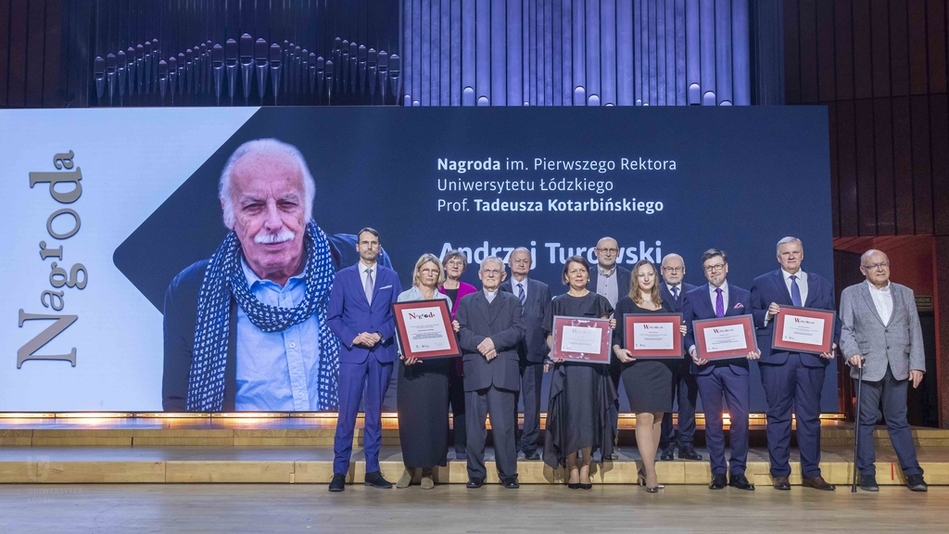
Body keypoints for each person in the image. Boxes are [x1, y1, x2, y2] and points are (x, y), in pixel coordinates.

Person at [162, 138, 343, 413]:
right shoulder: (190, 291)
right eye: (254, 206)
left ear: (306, 207)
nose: (273, 223)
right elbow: (178, 406)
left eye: (287, 204)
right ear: (229, 213)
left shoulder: (355, 265)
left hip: (347, 451)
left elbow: (391, 373)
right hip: (243, 453)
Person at [751, 236, 838, 491]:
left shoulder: (821, 284)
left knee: (810, 417)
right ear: (778, 257)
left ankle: (812, 473)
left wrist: (832, 342)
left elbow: (833, 320)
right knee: (778, 416)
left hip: (811, 361)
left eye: (795, 252)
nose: (791, 257)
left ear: (802, 255)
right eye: (786, 253)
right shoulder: (762, 283)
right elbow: (751, 315)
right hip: (777, 360)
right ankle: (780, 473)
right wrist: (767, 314)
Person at [839, 249, 928, 492]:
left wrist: (917, 364)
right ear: (862, 270)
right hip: (866, 365)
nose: (880, 269)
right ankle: (867, 473)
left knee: (899, 420)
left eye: (883, 264)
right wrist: (851, 352)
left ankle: (913, 473)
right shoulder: (851, 294)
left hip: (898, 365)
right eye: (873, 265)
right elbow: (846, 329)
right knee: (865, 421)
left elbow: (914, 330)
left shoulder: (905, 293)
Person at [327, 228, 402, 492]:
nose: (370, 247)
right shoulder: (342, 278)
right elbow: (333, 318)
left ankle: (372, 469)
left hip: (381, 353)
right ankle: (339, 471)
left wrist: (380, 333)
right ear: (357, 247)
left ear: (379, 248)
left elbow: (397, 315)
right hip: (353, 355)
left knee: (374, 415)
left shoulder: (391, 277)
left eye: (374, 243)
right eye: (365, 243)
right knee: (346, 414)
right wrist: (354, 337)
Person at [682, 248, 760, 491]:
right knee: (712, 422)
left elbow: (750, 330)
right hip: (706, 369)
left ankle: (738, 471)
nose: (714, 270)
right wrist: (693, 350)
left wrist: (752, 348)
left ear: (726, 267)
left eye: (717, 266)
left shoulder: (743, 295)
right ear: (704, 272)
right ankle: (718, 471)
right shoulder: (692, 296)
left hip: (737, 367)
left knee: (741, 421)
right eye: (709, 267)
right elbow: (686, 333)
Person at [543, 255, 617, 489]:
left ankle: (586, 466)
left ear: (588, 274)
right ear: (566, 277)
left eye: (582, 271)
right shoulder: (558, 302)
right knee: (569, 417)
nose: (578, 275)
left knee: (588, 417)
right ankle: (571, 466)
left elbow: (605, 336)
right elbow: (548, 335)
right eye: (573, 271)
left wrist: (610, 329)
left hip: (592, 372)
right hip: (567, 370)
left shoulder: (599, 301)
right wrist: (555, 351)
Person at [612, 260, 684, 492]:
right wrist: (618, 352)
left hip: (662, 367)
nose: (646, 278)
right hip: (636, 367)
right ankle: (651, 473)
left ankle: (645, 468)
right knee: (643, 416)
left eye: (650, 274)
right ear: (635, 278)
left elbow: (674, 334)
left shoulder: (665, 303)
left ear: (656, 277)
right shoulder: (625, 303)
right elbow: (616, 336)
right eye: (641, 275)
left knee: (658, 418)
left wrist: (680, 331)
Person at [456, 256, 525, 489]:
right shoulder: (466, 302)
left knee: (505, 427)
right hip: (476, 369)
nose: (492, 275)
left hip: (503, 369)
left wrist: (493, 342)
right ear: (479, 274)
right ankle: (475, 474)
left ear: (503, 276)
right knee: (474, 428)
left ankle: (508, 475)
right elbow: (462, 332)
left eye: (496, 272)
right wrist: (480, 343)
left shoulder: (513, 301)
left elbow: (518, 331)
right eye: (487, 271)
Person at [395, 254, 459, 490]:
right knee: (411, 419)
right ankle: (410, 468)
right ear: (418, 272)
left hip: (437, 368)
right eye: (426, 270)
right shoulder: (404, 297)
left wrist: (453, 330)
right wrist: (405, 353)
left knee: (434, 417)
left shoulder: (445, 300)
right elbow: (399, 329)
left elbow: (443, 334)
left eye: (434, 271)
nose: (430, 274)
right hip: (411, 366)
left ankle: (429, 471)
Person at [500, 247, 552, 461]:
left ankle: (530, 446)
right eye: (517, 260)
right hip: (507, 353)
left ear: (530, 264)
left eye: (525, 261)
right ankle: (510, 445)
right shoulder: (500, 288)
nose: (521, 264)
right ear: (509, 264)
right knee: (508, 401)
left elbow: (549, 322)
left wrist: (549, 354)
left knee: (532, 402)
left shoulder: (542, 288)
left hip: (534, 353)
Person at [588, 236, 631, 460]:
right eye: (603, 249)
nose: (607, 253)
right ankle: (588, 444)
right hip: (589, 342)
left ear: (618, 252)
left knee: (612, 395)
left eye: (612, 250)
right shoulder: (585, 275)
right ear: (595, 252)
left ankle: (609, 444)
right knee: (589, 394)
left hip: (618, 343)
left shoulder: (628, 276)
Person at [657, 253, 702, 462]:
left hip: (688, 357)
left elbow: (701, 322)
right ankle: (666, 445)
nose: (673, 272)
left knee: (687, 403)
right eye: (669, 268)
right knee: (664, 403)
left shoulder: (696, 293)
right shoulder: (652, 292)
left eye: (677, 268)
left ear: (684, 270)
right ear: (662, 271)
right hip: (663, 359)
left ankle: (686, 445)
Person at [438, 250, 478, 460]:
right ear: (444, 266)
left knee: (461, 404)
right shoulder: (435, 290)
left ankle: (461, 448)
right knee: (441, 403)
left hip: (463, 357)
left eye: (459, 263)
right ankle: (441, 448)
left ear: (464, 268)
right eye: (451, 262)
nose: (454, 266)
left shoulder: (471, 291)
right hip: (440, 358)